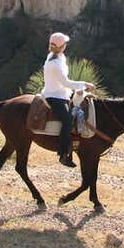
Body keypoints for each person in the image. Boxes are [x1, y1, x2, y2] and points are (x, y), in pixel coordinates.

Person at [42, 32, 95, 168]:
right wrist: (85, 84)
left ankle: (75, 144)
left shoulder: (56, 57)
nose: (66, 45)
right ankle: (63, 153)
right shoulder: (55, 64)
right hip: (54, 96)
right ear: (61, 46)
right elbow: (65, 82)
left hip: (62, 93)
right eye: (64, 44)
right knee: (67, 120)